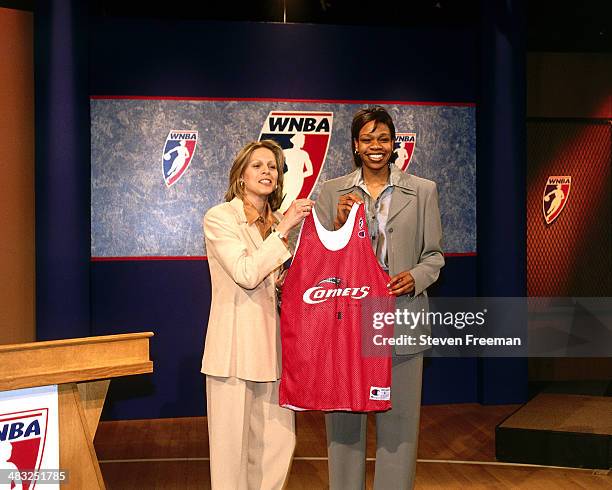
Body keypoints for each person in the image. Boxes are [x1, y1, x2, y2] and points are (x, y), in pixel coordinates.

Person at [315, 106, 444, 489]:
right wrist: (336, 226)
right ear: (355, 145)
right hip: (346, 318)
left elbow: (434, 256)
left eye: (383, 139)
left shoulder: (423, 191)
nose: (376, 146)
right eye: (368, 139)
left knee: (400, 423)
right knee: (343, 422)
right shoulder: (332, 191)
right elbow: (317, 258)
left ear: (394, 144)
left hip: (402, 314)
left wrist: (416, 276)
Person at [201, 140, 314, 489]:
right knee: (231, 452)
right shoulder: (220, 217)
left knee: (278, 446)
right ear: (241, 177)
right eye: (258, 166)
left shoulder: (278, 221)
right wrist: (283, 231)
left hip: (275, 351)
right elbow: (246, 273)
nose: (267, 171)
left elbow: (278, 285)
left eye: (273, 167)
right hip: (233, 352)